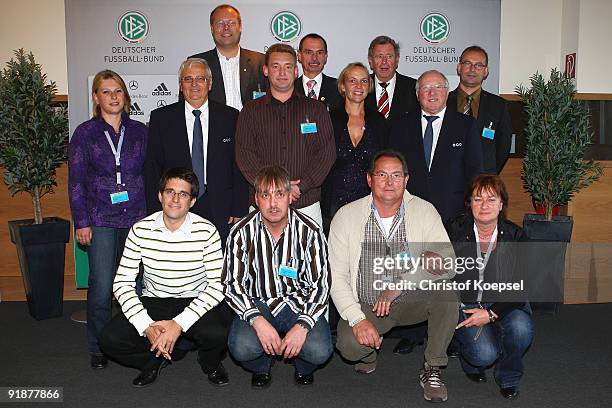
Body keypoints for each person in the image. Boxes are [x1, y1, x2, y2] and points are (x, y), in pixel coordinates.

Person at [329, 150, 459, 403]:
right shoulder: (347, 216)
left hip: (412, 300)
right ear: (369, 179)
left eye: (396, 175)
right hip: (367, 303)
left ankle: (432, 367)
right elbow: (336, 276)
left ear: (406, 180)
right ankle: (369, 353)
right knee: (349, 346)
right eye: (382, 174)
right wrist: (358, 320)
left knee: (447, 296)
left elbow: (448, 263)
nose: (389, 182)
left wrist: (401, 285)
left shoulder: (424, 211)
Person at [99, 168, 230, 387]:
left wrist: (178, 324)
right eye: (170, 192)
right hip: (154, 300)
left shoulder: (207, 231)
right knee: (109, 340)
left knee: (218, 334)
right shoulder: (140, 230)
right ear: (160, 196)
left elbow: (218, 285)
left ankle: (210, 364)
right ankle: (151, 361)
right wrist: (146, 326)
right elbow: (122, 282)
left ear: (193, 201)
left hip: (192, 298)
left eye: (183, 194)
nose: (175, 199)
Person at [388, 69, 483, 355]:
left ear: (447, 92)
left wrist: (470, 214)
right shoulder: (399, 125)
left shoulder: (465, 126)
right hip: (410, 215)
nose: (431, 93)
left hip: (452, 217)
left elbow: (475, 172)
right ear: (417, 94)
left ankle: (449, 335)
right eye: (425, 88)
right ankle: (416, 332)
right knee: (411, 268)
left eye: (438, 87)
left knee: (449, 276)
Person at [223, 165, 333, 389]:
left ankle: (303, 368)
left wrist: (303, 325)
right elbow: (231, 284)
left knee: (320, 350)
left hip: (299, 303)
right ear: (256, 199)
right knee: (241, 347)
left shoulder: (310, 231)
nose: (273, 203)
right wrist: (257, 320)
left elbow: (320, 285)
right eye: (266, 195)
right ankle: (262, 366)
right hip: (258, 303)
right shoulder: (240, 232)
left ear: (290, 197)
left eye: (280, 194)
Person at [68, 69, 147, 370]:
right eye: (106, 91)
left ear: (125, 96)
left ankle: (133, 340)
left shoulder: (141, 131)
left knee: (136, 284)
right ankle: (98, 346)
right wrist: (82, 221)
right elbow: (76, 181)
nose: (113, 97)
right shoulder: (85, 133)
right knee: (101, 284)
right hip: (99, 216)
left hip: (136, 217)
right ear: (96, 97)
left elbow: (150, 173)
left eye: (118, 91)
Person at [145, 57, 248, 243]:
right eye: (188, 79)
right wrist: (156, 210)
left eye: (200, 79)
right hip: (175, 205)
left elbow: (238, 164)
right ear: (180, 85)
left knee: (219, 265)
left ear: (209, 84)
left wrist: (238, 207)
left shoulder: (230, 116)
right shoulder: (162, 118)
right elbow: (153, 167)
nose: (194, 85)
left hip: (221, 206)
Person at [449, 174, 533, 400]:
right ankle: (470, 362)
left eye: (491, 199)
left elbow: (521, 286)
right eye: (478, 199)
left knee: (521, 328)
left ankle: (508, 376)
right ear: (470, 204)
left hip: (504, 304)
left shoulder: (516, 236)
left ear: (501, 204)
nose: (484, 205)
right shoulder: (454, 230)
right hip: (465, 303)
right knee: (484, 354)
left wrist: (491, 313)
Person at [235, 43, 336, 226]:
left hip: (305, 203)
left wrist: (301, 186)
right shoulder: (250, 111)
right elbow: (245, 155)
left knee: (309, 255)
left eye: (288, 67)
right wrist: (274, 190)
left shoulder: (316, 110)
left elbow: (326, 154)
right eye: (276, 66)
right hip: (263, 205)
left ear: (296, 71)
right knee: (260, 255)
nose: (282, 73)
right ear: (265, 70)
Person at [322, 62, 387, 234]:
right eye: (352, 81)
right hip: (333, 205)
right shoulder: (328, 119)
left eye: (364, 81)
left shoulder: (379, 121)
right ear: (343, 86)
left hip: (371, 204)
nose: (359, 86)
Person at [447, 45, 513, 174]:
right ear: (459, 68)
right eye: (467, 63)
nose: (472, 69)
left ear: (486, 71)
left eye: (479, 65)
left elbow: (503, 146)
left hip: (484, 179)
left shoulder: (499, 105)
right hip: (448, 177)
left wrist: (488, 173)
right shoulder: (443, 102)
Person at [190, 4, 266, 110]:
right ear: (212, 28)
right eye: (220, 23)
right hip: (213, 125)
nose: (226, 28)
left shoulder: (261, 62)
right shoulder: (197, 64)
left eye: (231, 23)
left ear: (240, 27)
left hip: (252, 125)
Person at [364, 36, 419, 121]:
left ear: (397, 60)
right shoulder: (361, 87)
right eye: (379, 56)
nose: (384, 61)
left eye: (389, 56)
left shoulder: (414, 87)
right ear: (370, 61)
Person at [295, 33, 342, 111]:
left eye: (319, 52)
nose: (314, 58)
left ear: (326, 56)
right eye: (308, 52)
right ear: (299, 56)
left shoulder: (340, 88)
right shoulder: (290, 88)